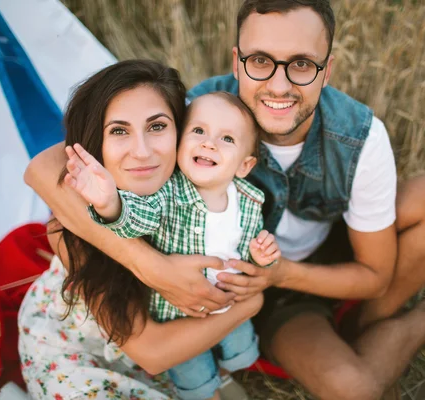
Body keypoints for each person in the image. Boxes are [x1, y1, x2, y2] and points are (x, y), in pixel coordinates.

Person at [25, 1, 425, 399]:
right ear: (237, 60)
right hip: (254, 288)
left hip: (300, 265)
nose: (279, 85)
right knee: (356, 389)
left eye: (301, 65)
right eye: (260, 62)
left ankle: (380, 325)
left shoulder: (358, 136)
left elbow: (374, 274)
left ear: (327, 70)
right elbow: (45, 169)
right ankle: (419, 322)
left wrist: (277, 275)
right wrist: (149, 265)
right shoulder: (201, 110)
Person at [18, 60, 263, 400]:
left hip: (175, 350)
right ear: (95, 143)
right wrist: (250, 305)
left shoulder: (196, 197)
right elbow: (151, 350)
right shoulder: (72, 227)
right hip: (81, 352)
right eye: (119, 131)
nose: (142, 151)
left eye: (157, 126)